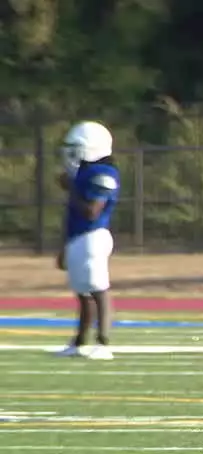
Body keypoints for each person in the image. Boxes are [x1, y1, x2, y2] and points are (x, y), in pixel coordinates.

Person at [53, 121, 119, 361]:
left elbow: (92, 211)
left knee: (98, 289)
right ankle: (79, 342)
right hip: (79, 237)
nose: (71, 154)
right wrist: (64, 247)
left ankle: (103, 342)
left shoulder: (104, 174)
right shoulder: (83, 173)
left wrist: (70, 188)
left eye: (76, 148)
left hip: (93, 235)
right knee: (82, 292)